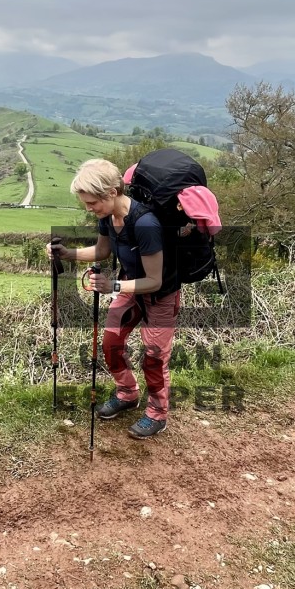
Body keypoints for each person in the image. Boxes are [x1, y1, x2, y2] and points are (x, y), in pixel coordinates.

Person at [47, 158, 180, 439]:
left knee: (154, 359)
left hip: (160, 296)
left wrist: (113, 286)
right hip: (130, 290)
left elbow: (154, 281)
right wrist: (66, 254)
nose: (89, 208)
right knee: (111, 343)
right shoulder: (107, 217)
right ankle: (128, 393)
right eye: (85, 203)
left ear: (111, 192)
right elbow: (102, 251)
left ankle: (157, 414)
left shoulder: (146, 224)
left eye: (92, 202)